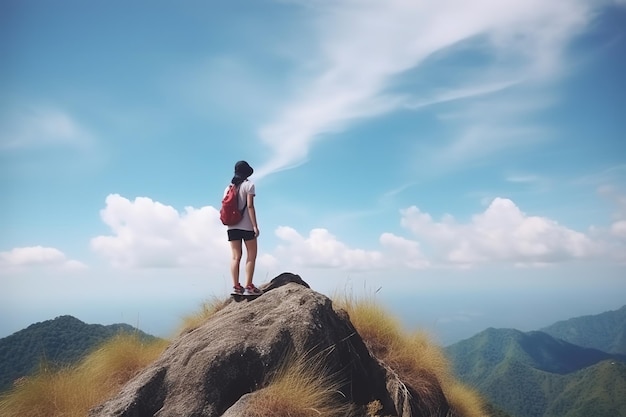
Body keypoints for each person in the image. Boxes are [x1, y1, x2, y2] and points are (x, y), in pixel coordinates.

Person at [224, 160, 262, 296]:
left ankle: (236, 287)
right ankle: (249, 287)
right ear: (247, 173)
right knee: (251, 256)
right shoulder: (249, 185)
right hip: (246, 227)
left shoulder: (228, 188)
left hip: (231, 226)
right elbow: (250, 206)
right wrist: (255, 226)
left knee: (235, 257)